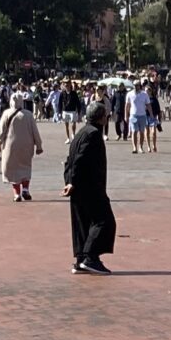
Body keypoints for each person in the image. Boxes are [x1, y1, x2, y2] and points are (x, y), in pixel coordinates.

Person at [63, 103, 117, 274]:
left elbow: (69, 160)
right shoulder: (93, 134)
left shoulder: (81, 132)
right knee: (104, 221)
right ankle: (90, 257)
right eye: (106, 116)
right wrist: (72, 181)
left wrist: (69, 181)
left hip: (78, 186)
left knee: (83, 223)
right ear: (101, 118)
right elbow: (79, 159)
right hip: (89, 186)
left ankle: (80, 260)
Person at [0, 92, 44, 202]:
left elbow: (1, 130)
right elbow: (35, 131)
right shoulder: (28, 114)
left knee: (12, 169)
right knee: (25, 167)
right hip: (27, 146)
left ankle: (17, 194)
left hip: (10, 146)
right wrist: (39, 146)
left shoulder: (7, 113)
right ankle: (25, 189)